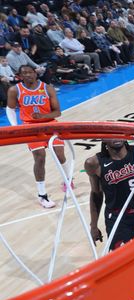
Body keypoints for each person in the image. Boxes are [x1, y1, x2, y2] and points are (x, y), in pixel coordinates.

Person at [5, 64, 65, 208]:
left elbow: (57, 112)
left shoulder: (47, 88)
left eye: (30, 72)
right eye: (24, 73)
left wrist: (43, 116)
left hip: (50, 123)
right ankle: (42, 195)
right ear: (19, 76)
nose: (27, 75)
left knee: (60, 155)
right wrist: (15, 127)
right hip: (30, 126)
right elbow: (10, 108)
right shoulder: (15, 90)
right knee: (39, 157)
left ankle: (68, 179)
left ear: (35, 73)